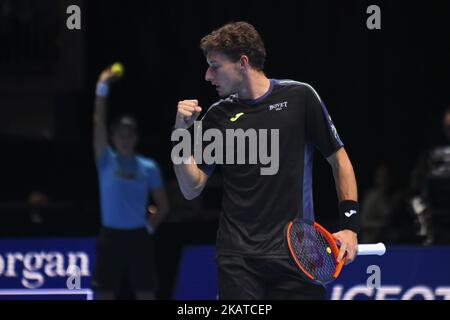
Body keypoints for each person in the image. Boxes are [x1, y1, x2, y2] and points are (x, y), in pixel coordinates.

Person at [172, 22, 359, 299]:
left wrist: (350, 228)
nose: (208, 75)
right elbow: (191, 188)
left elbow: (339, 159)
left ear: (243, 62)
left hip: (298, 254)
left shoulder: (300, 97)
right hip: (238, 259)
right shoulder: (217, 116)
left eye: (215, 65)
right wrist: (180, 133)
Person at [91, 65, 169, 300]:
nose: (125, 138)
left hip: (139, 238)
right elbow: (98, 123)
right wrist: (102, 87)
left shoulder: (149, 167)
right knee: (105, 292)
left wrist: (147, 229)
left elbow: (163, 206)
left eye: (129, 134)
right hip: (110, 237)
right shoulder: (105, 160)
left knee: (145, 293)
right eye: (120, 134)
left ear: (136, 138)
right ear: (113, 138)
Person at [408, 107, 450, 244]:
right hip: (434, 207)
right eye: (447, 127)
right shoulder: (430, 153)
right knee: (416, 203)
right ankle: (427, 242)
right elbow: (416, 181)